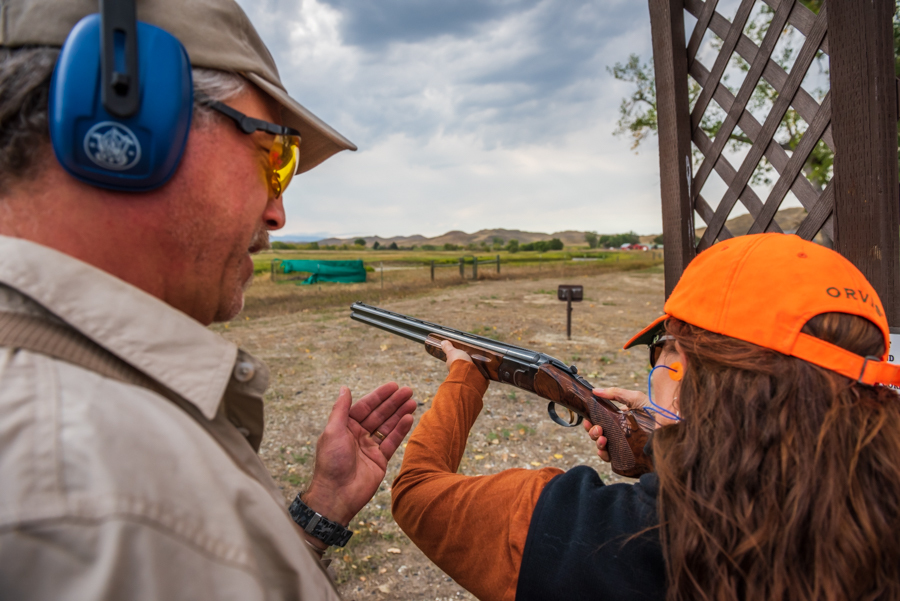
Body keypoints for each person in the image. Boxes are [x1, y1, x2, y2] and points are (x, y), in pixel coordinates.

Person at [0, 0, 416, 598]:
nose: (277, 212)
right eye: (277, 156)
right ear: (125, 118)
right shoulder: (99, 499)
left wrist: (318, 513)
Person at [391, 233, 900, 601]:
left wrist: (466, 375)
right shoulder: (875, 506)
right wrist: (669, 444)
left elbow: (416, 491)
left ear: (685, 374)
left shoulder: (596, 536)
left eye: (664, 357)